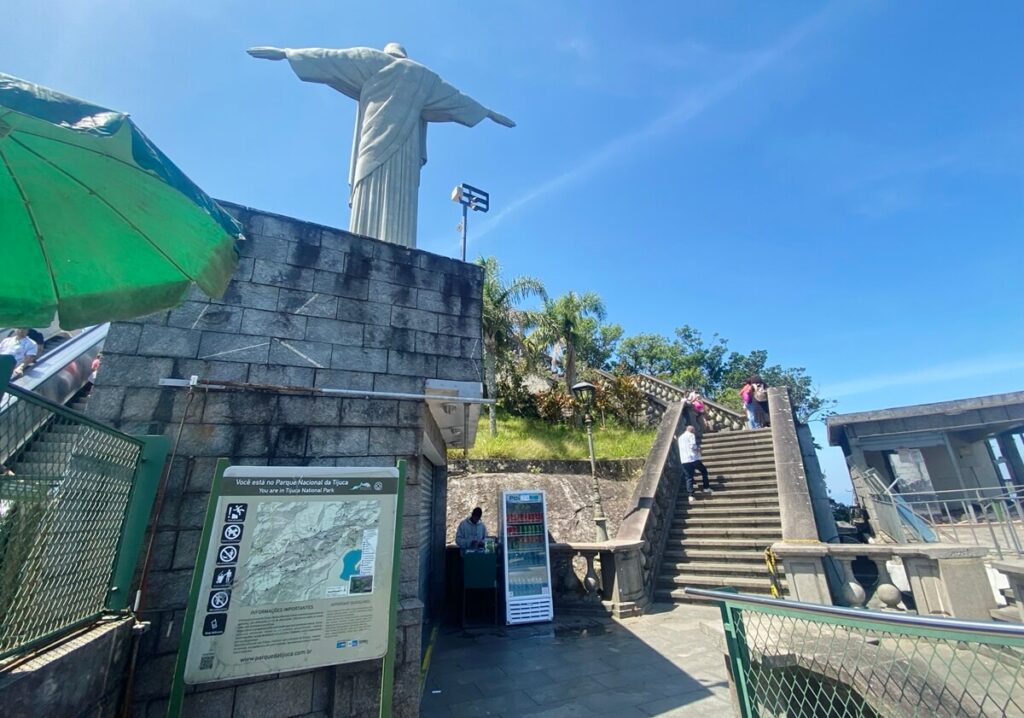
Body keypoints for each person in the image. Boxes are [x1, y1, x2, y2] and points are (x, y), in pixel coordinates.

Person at [247, 43, 515, 249]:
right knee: (399, 202)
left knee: (371, 193)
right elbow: (458, 99)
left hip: (373, 144)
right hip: (404, 151)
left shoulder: (370, 59)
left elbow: (331, 58)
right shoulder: (423, 76)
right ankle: (395, 248)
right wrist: (489, 113)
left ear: (388, 52)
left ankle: (366, 247)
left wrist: (287, 53)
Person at [678, 425, 710, 503]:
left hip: (684, 460)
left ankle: (690, 496)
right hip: (693, 459)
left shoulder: (680, 438)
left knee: (689, 477)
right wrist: (699, 449)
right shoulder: (691, 435)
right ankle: (706, 488)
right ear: (692, 430)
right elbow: (692, 446)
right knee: (704, 471)